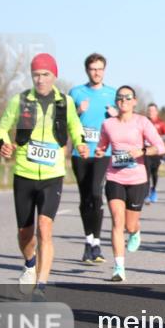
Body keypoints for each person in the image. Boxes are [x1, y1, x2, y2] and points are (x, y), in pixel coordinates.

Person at [0, 53, 88, 298]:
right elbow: (2, 127)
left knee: (45, 228)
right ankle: (29, 264)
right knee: (25, 233)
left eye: (45, 74)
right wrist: (3, 143)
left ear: (54, 75)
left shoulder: (65, 102)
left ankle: (42, 285)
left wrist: (80, 143)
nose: (40, 79)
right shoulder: (21, 100)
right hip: (24, 173)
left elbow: (75, 127)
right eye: (36, 74)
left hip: (52, 174)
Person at [94, 86, 165, 281]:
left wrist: (142, 151)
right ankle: (119, 268)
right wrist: (99, 151)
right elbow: (102, 145)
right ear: (116, 101)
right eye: (120, 97)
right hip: (114, 177)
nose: (123, 100)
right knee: (117, 221)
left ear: (134, 101)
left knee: (129, 224)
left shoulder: (142, 122)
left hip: (137, 180)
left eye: (128, 97)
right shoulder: (108, 124)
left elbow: (161, 147)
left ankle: (136, 232)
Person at [68, 53, 117, 265]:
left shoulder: (113, 94)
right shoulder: (76, 93)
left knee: (97, 194)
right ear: (87, 71)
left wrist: (115, 115)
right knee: (85, 197)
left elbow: (122, 123)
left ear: (104, 70)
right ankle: (89, 242)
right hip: (80, 153)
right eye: (93, 69)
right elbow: (65, 121)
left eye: (100, 69)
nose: (96, 72)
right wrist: (78, 111)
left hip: (101, 153)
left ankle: (97, 242)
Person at [144, 103, 165, 203]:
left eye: (153, 110)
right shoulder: (144, 121)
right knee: (146, 171)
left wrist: (158, 138)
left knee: (154, 172)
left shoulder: (161, 123)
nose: (151, 112)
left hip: (157, 151)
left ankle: (153, 190)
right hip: (146, 151)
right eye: (149, 110)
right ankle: (146, 194)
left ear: (156, 112)